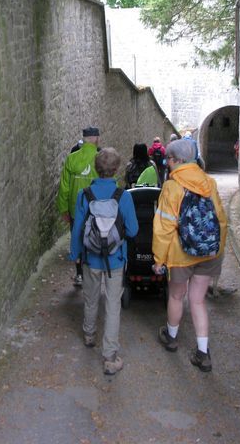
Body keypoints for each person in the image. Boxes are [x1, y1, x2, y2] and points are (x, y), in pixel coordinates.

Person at [152, 139, 228, 372]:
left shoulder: (172, 187)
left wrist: (159, 260)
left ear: (175, 161)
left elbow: (164, 227)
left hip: (180, 254)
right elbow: (221, 219)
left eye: (168, 160)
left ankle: (171, 338)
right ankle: (203, 353)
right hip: (208, 253)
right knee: (197, 300)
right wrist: (218, 250)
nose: (167, 163)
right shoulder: (209, 182)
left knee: (176, 296)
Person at [70, 148, 138, 375]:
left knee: (90, 299)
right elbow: (133, 229)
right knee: (112, 306)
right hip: (115, 260)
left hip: (90, 259)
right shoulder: (123, 196)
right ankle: (110, 356)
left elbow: (78, 228)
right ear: (116, 169)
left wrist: (76, 254)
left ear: (97, 168)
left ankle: (89, 334)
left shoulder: (84, 194)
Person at [57, 126, 100, 286]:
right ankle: (93, 273)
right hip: (95, 208)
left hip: (76, 208)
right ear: (96, 139)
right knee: (95, 237)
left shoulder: (72, 158)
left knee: (77, 239)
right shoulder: (100, 158)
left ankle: (80, 274)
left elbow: (64, 187)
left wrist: (63, 209)